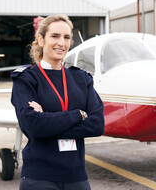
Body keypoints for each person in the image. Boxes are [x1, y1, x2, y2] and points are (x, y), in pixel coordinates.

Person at [11, 14, 105, 190]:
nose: (61, 43)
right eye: (55, 36)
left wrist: (46, 121)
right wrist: (78, 114)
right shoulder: (26, 79)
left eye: (66, 37)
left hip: (77, 177)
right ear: (41, 39)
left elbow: (97, 125)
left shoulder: (82, 79)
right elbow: (32, 126)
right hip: (39, 177)